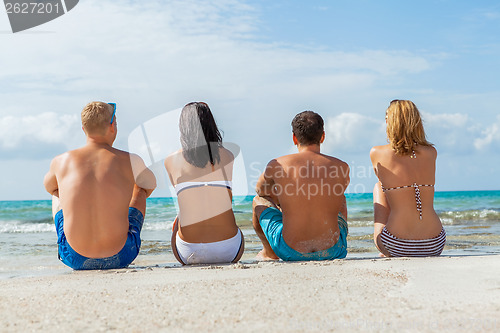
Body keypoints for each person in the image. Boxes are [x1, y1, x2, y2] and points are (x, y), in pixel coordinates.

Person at [43, 102, 156, 270]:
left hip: (74, 257)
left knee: (57, 191)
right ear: (112, 126)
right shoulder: (131, 160)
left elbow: (49, 187)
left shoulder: (61, 161)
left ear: (83, 129)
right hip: (121, 256)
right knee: (140, 187)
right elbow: (150, 184)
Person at [252, 111, 350, 261]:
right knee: (340, 197)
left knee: (258, 201)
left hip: (290, 251)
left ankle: (269, 252)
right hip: (334, 250)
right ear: (323, 136)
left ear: (294, 138)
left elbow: (260, 191)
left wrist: (282, 200)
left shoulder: (277, 164)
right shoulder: (342, 167)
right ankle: (329, 242)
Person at [165, 102, 244, 265]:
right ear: (211, 124)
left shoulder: (170, 161)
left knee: (179, 217)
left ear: (183, 127)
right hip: (228, 250)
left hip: (188, 251)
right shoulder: (228, 156)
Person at [370, 100, 446, 257]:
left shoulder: (377, 152)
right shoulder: (431, 152)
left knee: (379, 187)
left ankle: (390, 242)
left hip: (396, 243)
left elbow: (385, 184)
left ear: (390, 122)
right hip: (435, 243)